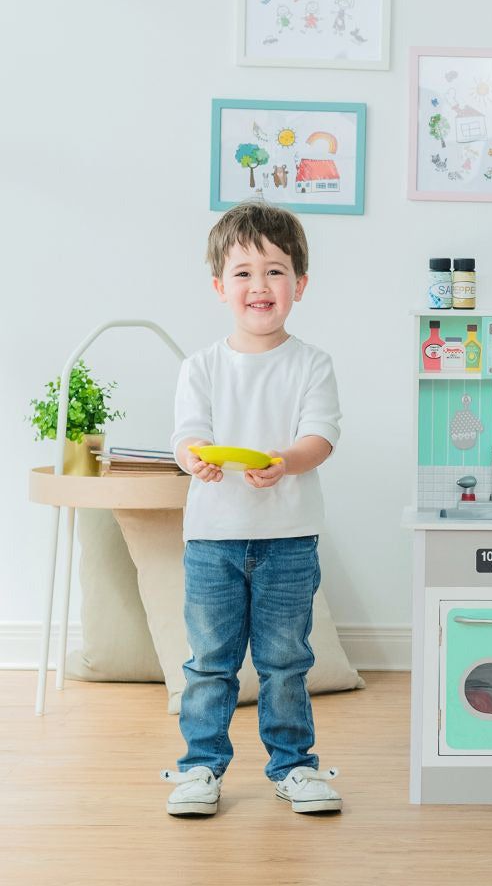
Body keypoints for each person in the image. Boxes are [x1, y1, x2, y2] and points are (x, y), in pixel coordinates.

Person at [160, 200, 343, 817]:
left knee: (286, 661)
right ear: (219, 286)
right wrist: (195, 460)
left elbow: (320, 437)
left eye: (274, 271)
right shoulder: (201, 367)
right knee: (210, 663)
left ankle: (294, 767)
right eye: (243, 273)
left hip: (289, 541)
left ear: (300, 284)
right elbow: (186, 436)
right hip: (212, 540)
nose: (259, 285)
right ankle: (199, 769)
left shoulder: (312, 363)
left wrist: (285, 461)